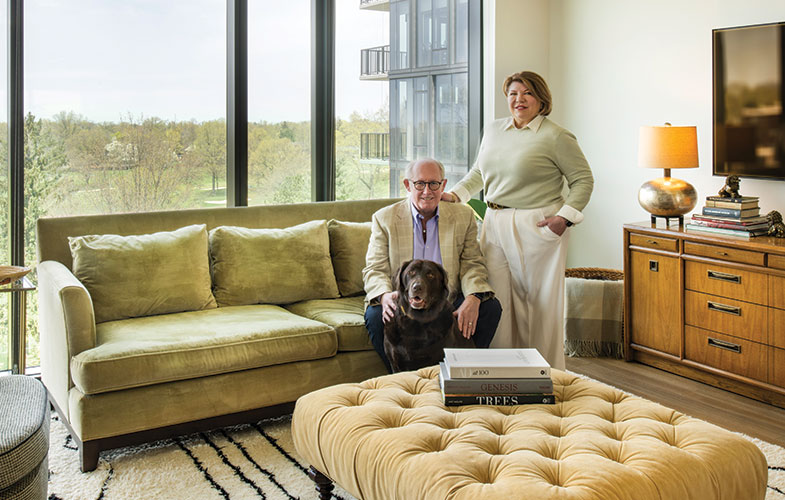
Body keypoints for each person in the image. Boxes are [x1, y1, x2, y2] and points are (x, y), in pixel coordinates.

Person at [442, 70, 594, 370]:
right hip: (494, 220)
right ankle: (503, 370)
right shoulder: (495, 130)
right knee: (496, 301)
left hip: (537, 224)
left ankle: (545, 371)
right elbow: (479, 173)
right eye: (513, 93)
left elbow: (583, 181)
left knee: (537, 305)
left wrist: (564, 219)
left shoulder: (556, 136)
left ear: (541, 99)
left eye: (527, 93)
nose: (519, 99)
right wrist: (455, 195)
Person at [363, 158, 502, 372]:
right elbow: (375, 268)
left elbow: (472, 264)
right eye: (419, 184)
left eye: (433, 184)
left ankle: (464, 375)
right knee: (375, 316)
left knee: (490, 308)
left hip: (446, 301)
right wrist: (384, 296)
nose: (427, 191)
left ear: (443, 185)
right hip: (404, 303)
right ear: (408, 185)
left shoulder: (462, 216)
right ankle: (399, 379)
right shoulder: (385, 218)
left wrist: (474, 296)